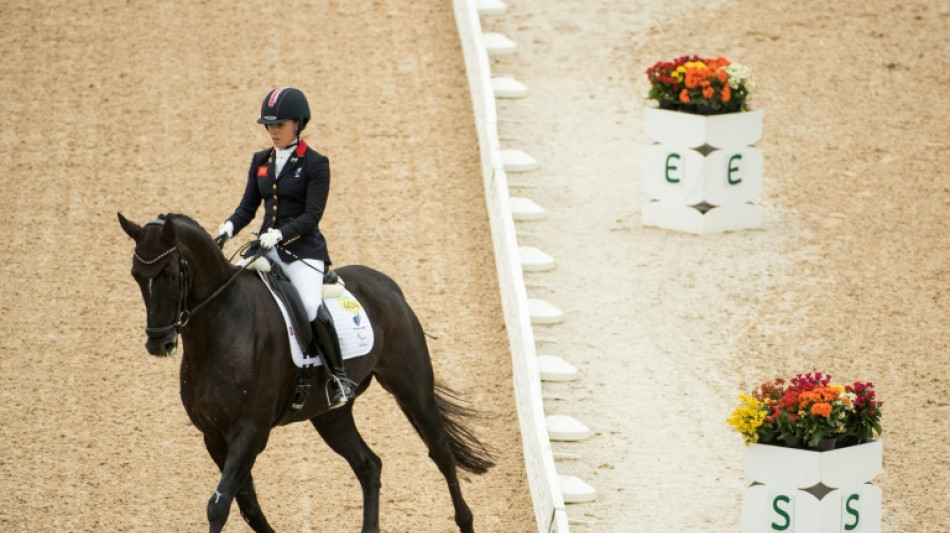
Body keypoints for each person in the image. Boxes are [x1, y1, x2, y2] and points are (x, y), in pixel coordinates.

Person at [217, 86, 355, 409]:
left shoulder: (316, 164)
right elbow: (247, 208)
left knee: (308, 306)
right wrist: (226, 229)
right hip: (265, 248)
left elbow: (312, 215)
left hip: (302, 252)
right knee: (232, 293)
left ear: (298, 123)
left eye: (279, 124)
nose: (272, 131)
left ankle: (338, 378)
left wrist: (279, 235)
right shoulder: (260, 161)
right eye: (269, 125)